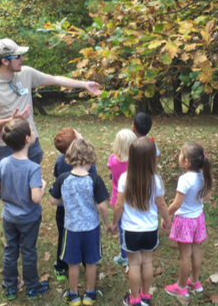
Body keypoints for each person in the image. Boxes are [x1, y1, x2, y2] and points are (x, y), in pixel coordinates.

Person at [0, 38, 102, 268]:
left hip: (32, 145)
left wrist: (84, 85)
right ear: (4, 61)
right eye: (18, 56)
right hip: (5, 148)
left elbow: (54, 79)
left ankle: (26, 234)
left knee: (32, 190)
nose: (22, 59)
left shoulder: (25, 73)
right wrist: (12, 120)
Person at [0, 119, 49, 301]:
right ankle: (32, 287)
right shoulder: (33, 168)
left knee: (10, 250)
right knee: (28, 251)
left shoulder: (4, 163)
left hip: (9, 217)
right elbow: (36, 197)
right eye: (31, 130)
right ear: (27, 139)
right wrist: (43, 187)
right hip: (29, 219)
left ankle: (10, 287)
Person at [110, 137, 172, 306]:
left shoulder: (124, 178)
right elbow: (161, 204)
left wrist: (114, 223)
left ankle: (134, 298)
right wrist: (167, 219)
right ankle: (145, 295)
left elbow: (119, 205)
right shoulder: (156, 180)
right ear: (152, 158)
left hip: (131, 231)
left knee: (134, 264)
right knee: (147, 262)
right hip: (150, 230)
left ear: (132, 157)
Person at [49, 139, 109, 306]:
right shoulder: (94, 180)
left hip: (71, 229)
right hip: (91, 229)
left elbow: (53, 201)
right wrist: (105, 223)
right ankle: (90, 294)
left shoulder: (63, 178)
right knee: (91, 262)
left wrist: (67, 197)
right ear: (90, 160)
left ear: (69, 158)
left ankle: (74, 295)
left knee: (73, 263)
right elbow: (102, 207)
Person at [164, 142, 213, 299]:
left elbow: (177, 203)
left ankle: (181, 287)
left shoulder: (185, 179)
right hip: (198, 219)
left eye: (180, 154)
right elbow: (207, 197)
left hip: (185, 221)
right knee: (195, 251)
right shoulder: (203, 176)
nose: (179, 157)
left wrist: (166, 215)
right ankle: (195, 281)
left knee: (185, 255)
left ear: (187, 162)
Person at [52, 127, 98, 280]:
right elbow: (93, 180)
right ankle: (87, 262)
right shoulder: (88, 161)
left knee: (64, 237)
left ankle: (61, 266)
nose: (80, 133)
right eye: (78, 134)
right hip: (85, 207)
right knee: (85, 236)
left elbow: (57, 178)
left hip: (63, 208)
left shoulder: (60, 160)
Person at [108, 129, 137, 267]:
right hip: (134, 199)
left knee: (122, 229)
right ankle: (135, 250)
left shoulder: (113, 160)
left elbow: (110, 168)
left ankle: (124, 255)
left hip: (118, 199)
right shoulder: (136, 163)